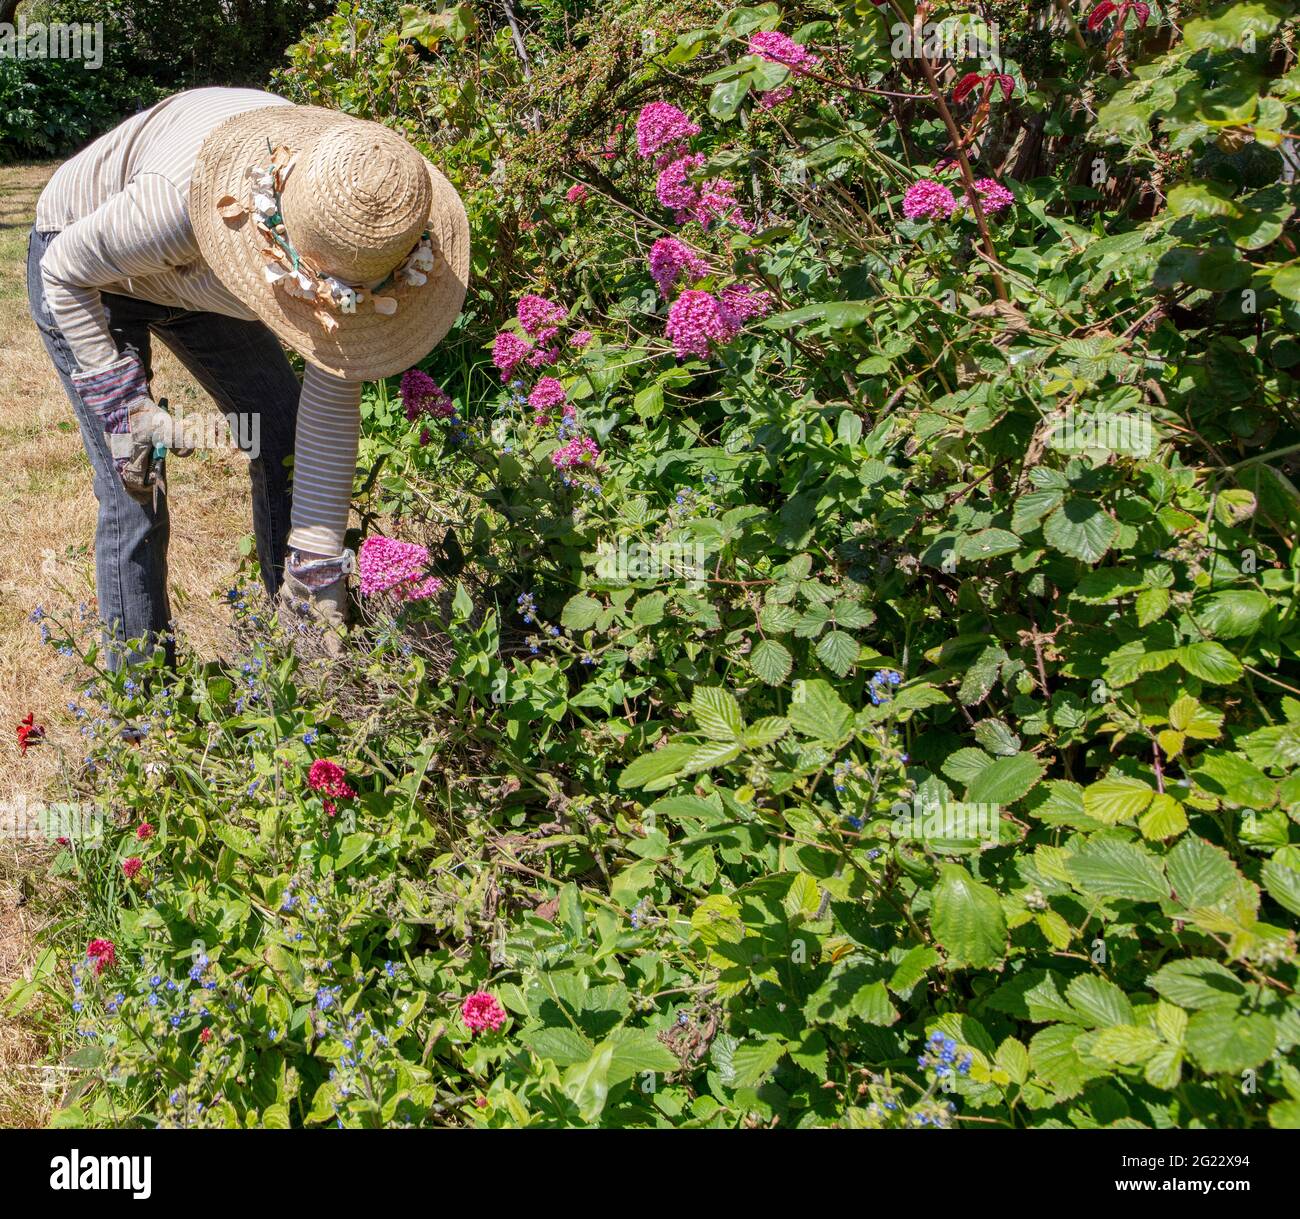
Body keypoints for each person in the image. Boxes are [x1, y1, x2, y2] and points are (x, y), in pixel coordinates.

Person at [26, 87, 469, 662]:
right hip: (87, 269)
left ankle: (295, 644)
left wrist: (317, 569)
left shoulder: (366, 231)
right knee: (135, 481)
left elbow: (329, 406)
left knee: (278, 432)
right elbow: (65, 274)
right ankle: (141, 705)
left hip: (199, 280)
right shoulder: (173, 206)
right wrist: (125, 407)